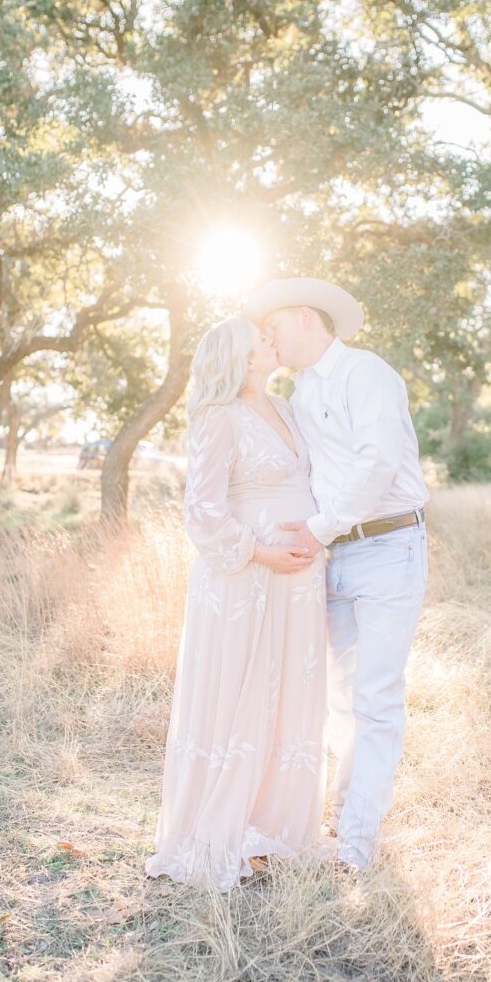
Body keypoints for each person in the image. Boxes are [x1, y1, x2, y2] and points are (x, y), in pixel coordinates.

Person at [244, 279, 430, 872]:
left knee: (376, 697)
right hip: (334, 557)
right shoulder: (298, 394)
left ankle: (358, 840)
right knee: (340, 697)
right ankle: (345, 810)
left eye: (274, 328)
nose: (269, 339)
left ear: (306, 317)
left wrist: (320, 528)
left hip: (387, 545)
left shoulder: (365, 373)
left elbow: (378, 462)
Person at [144, 315, 328, 892]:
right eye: (263, 340)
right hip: (245, 580)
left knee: (286, 695)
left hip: (296, 579)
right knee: (240, 690)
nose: (273, 343)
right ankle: (220, 826)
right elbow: (201, 510)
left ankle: (270, 828)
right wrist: (260, 552)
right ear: (241, 357)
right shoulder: (219, 418)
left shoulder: (290, 410)